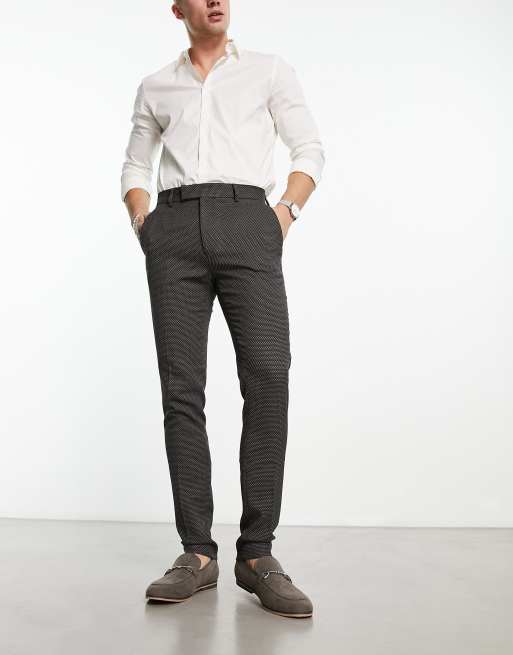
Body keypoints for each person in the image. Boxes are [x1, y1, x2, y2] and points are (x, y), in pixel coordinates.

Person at [120, 0, 325, 619]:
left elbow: (309, 149)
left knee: (268, 377)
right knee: (182, 389)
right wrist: (145, 222)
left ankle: (257, 554)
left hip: (248, 222)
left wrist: (282, 214)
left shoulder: (268, 69)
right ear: (176, 8)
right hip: (174, 229)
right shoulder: (156, 85)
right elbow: (135, 163)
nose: (215, 0)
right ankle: (197, 553)